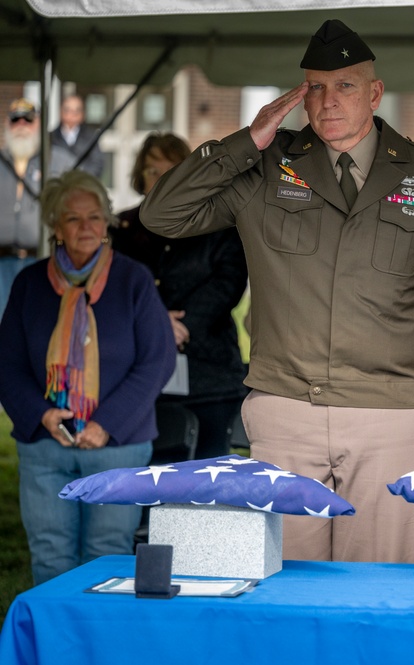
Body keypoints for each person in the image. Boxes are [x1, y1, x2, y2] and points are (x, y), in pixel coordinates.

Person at [141, 19, 414, 564]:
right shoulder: (266, 165)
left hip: (389, 417)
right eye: (315, 87)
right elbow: (161, 215)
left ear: (374, 93)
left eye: (345, 85)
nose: (328, 101)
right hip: (288, 410)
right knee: (286, 588)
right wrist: (243, 142)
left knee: (375, 593)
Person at [0, 169, 175, 585]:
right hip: (45, 446)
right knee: (50, 556)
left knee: (107, 559)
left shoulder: (133, 279)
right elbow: (7, 364)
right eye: (74, 218)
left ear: (107, 222)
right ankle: (56, 650)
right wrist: (42, 414)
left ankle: (98, 649)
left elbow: (157, 361)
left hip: (117, 448)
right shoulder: (30, 283)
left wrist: (105, 424)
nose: (86, 227)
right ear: (55, 227)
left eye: (95, 217)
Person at [111, 132, 248, 460]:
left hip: (210, 369)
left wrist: (181, 325)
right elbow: (115, 288)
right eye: (152, 170)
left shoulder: (218, 224)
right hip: (142, 374)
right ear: (139, 176)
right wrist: (157, 324)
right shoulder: (121, 229)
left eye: (172, 170)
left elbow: (228, 283)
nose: (161, 179)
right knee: (150, 481)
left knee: (209, 476)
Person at [0, 98, 74, 318]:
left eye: (28, 119)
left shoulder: (59, 162)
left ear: (39, 124)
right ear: (7, 123)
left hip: (43, 261)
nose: (21, 124)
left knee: (38, 323)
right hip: (2, 263)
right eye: (15, 119)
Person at [49, 94, 105, 178]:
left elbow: (97, 164)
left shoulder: (91, 136)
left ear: (82, 113)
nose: (72, 114)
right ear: (60, 112)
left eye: (76, 111)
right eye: (67, 110)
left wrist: (82, 179)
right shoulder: (51, 137)